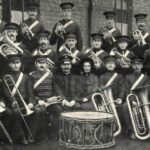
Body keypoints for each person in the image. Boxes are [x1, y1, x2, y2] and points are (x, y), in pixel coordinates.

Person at [1, 54, 41, 144]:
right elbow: (6, 92)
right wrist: (12, 101)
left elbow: (30, 92)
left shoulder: (26, 77)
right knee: (16, 112)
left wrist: (31, 102)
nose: (15, 65)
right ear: (9, 65)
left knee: (37, 110)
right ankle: (22, 136)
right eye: (13, 63)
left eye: (17, 62)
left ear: (20, 64)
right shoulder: (5, 77)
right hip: (12, 103)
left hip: (26, 103)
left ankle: (31, 135)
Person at [30, 54, 62, 139]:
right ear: (36, 64)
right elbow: (30, 93)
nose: (41, 65)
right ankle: (42, 134)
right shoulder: (31, 76)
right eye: (39, 63)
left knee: (58, 109)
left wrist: (54, 97)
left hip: (49, 102)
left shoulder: (51, 75)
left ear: (47, 64)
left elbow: (55, 89)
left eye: (43, 63)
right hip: (38, 102)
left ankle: (52, 133)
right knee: (42, 111)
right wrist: (38, 100)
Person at [123, 58, 150, 139]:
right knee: (125, 106)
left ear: (142, 66)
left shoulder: (146, 78)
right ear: (132, 66)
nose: (136, 66)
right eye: (135, 64)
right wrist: (132, 101)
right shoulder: (127, 77)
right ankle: (131, 130)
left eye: (138, 65)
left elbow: (148, 90)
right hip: (133, 99)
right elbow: (127, 90)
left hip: (145, 99)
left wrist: (146, 100)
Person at [99, 55, 125, 123]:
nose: (110, 65)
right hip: (106, 99)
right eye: (108, 63)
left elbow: (122, 88)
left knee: (121, 108)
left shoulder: (119, 76)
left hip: (116, 99)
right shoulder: (102, 76)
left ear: (115, 65)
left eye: (112, 63)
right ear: (105, 65)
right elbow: (100, 88)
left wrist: (120, 98)